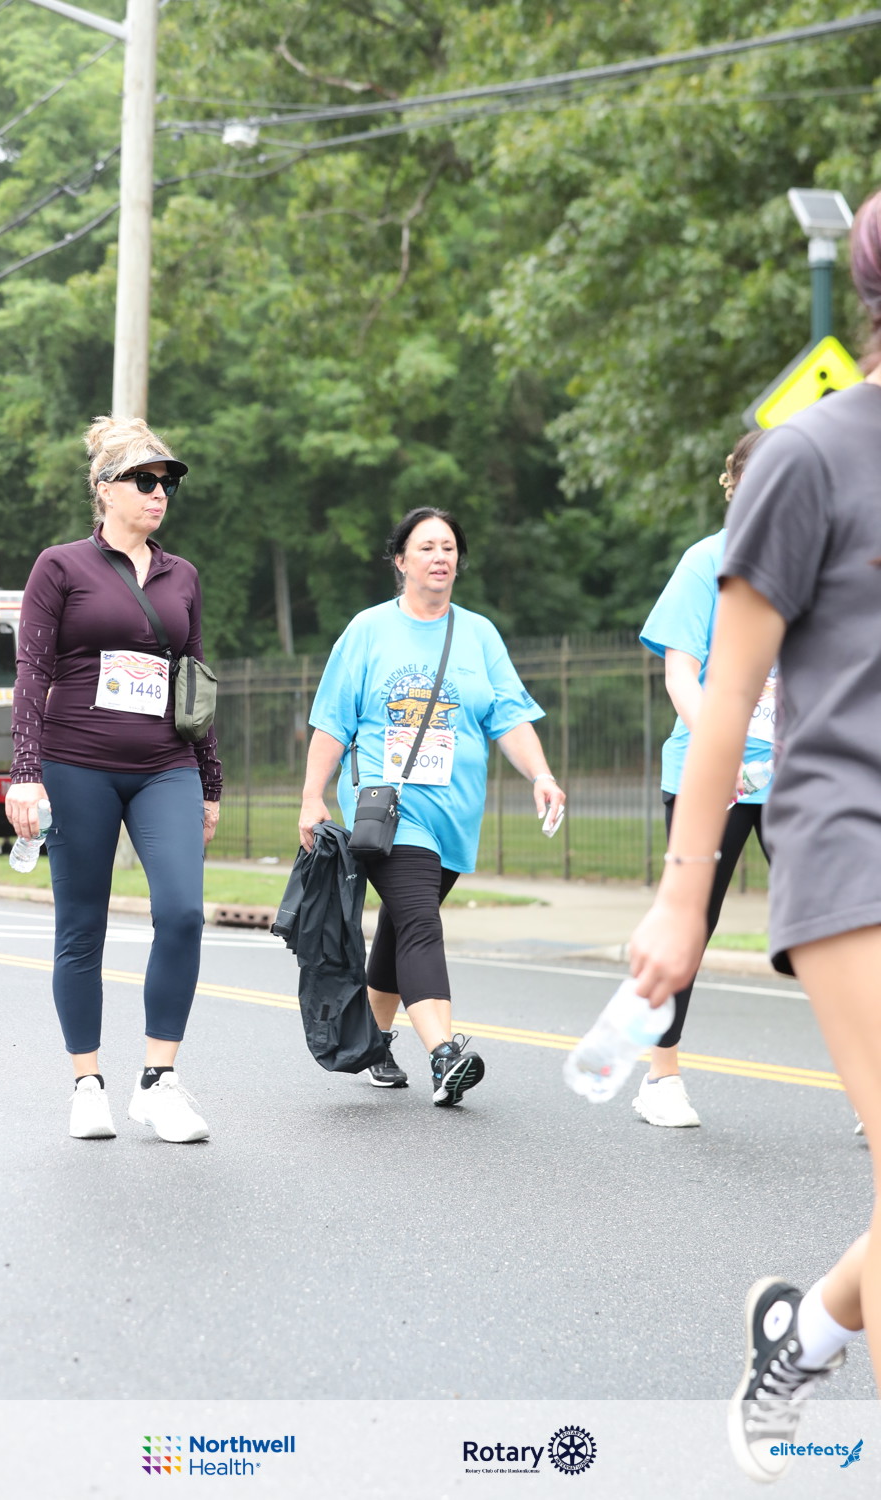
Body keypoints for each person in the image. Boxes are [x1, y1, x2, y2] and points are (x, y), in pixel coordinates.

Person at [627, 189, 881, 1482]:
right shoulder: (810, 458)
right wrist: (683, 897)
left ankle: (806, 1335)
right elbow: (724, 690)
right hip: (848, 835)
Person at [298, 506, 565, 1105]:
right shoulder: (368, 630)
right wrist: (313, 795)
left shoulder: (479, 634)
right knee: (421, 920)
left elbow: (508, 716)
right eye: (426, 547)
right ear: (400, 561)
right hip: (388, 809)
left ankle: (370, 1043)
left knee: (400, 926)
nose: (440, 557)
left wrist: (541, 774)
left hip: (454, 814)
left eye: (448, 547)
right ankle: (445, 1055)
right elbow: (333, 721)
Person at [6, 415, 222, 1144]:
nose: (159, 493)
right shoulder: (60, 566)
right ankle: (87, 1083)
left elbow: (194, 680)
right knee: (82, 927)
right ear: (105, 488)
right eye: (145, 480)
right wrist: (25, 773)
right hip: (76, 766)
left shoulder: (181, 575)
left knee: (183, 913)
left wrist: (210, 783)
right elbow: (31, 672)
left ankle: (158, 1083)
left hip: (165, 766)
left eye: (167, 483)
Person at [634, 432, 770, 1128]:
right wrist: (724, 746)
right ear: (734, 484)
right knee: (692, 921)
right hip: (710, 773)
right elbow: (680, 674)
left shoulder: (820, 562)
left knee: (839, 927)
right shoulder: (706, 562)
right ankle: (660, 1077)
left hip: (798, 774)